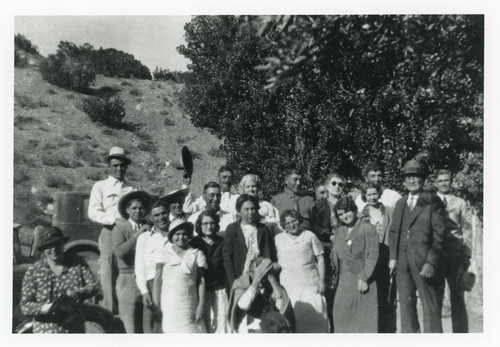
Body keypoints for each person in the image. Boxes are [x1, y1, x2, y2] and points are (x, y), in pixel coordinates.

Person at [388, 160, 446, 333]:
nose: (412, 180)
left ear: (422, 179)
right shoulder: (400, 203)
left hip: (424, 262)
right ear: (403, 181)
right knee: (406, 305)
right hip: (402, 263)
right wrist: (392, 257)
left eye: (415, 176)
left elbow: (440, 235)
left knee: (430, 306)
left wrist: (431, 262)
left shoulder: (432, 200)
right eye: (408, 177)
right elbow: (393, 233)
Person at [20, 227, 99, 333]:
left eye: (57, 244)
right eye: (49, 246)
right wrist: (46, 308)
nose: (53, 249)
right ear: (43, 248)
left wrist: (77, 293)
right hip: (46, 332)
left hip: (74, 330)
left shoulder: (77, 263)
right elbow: (25, 305)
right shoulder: (34, 271)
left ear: (63, 244)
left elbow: (94, 286)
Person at [88, 146, 135, 313]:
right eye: (115, 165)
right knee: (108, 273)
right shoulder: (100, 186)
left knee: (127, 270)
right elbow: (93, 212)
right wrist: (113, 220)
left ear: (126, 166)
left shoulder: (132, 188)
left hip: (128, 234)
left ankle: (126, 311)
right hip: (109, 232)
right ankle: (109, 312)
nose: (119, 169)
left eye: (122, 165)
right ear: (109, 166)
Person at [275, 210, 329, 333]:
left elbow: (320, 259)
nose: (291, 225)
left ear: (299, 220)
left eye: (293, 221)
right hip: (288, 286)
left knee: (316, 318)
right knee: (294, 321)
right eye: (287, 223)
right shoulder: (278, 239)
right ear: (283, 225)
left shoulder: (309, 235)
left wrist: (321, 280)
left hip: (310, 283)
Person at [331, 197, 379, 333]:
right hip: (344, 282)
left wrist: (364, 277)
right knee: (341, 318)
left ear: (354, 210)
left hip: (363, 280)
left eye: (347, 211)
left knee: (363, 323)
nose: (344, 216)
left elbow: (373, 255)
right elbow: (337, 256)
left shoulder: (368, 229)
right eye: (340, 214)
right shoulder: (339, 231)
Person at [153, 219, 207, 333]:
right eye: (177, 234)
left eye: (184, 234)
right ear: (172, 236)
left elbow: (201, 282)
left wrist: (200, 305)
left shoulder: (197, 254)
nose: (181, 237)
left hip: (189, 303)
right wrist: (156, 306)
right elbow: (157, 281)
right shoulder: (163, 253)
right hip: (168, 304)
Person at [434, 169, 472, 333]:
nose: (444, 183)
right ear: (435, 183)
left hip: (455, 256)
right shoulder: (430, 202)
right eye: (441, 180)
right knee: (436, 300)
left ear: (451, 182)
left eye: (446, 180)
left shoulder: (460, 203)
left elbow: (467, 230)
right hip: (436, 256)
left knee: (458, 298)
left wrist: (467, 254)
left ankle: (461, 337)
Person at [112, 191, 151, 333]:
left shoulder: (150, 227)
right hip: (127, 280)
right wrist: (138, 234)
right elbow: (119, 252)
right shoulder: (120, 228)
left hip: (146, 279)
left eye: (141, 208)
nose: (138, 211)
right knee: (130, 326)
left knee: (147, 324)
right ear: (127, 210)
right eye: (134, 208)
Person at [359, 182, 396, 333]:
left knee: (384, 296)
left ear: (379, 194)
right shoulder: (361, 214)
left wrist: (393, 258)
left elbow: (393, 236)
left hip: (385, 255)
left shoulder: (388, 211)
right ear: (364, 196)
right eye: (369, 194)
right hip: (369, 257)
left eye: (374, 193)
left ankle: (385, 331)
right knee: (369, 294)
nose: (372, 197)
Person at [223, 194, 277, 291]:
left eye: (253, 209)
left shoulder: (263, 229)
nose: (250, 212)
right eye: (246, 209)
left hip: (261, 278)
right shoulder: (232, 229)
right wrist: (233, 283)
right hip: (240, 278)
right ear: (239, 211)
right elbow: (227, 258)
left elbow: (270, 254)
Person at [227, 257, 294, 333]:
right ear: (251, 272)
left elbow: (282, 304)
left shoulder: (269, 282)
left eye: (264, 276)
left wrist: (271, 277)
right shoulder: (241, 283)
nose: (262, 280)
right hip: (248, 329)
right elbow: (243, 305)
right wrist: (257, 280)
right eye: (260, 274)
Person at [189, 211, 229, 333]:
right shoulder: (193, 242)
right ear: (199, 225)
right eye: (205, 223)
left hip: (219, 289)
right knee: (203, 323)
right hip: (200, 290)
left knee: (220, 322)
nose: (209, 226)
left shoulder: (222, 242)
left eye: (212, 223)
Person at [135, 199, 170, 333]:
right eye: (156, 215)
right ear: (150, 217)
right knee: (150, 328)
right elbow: (140, 268)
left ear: (168, 213)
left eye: (164, 213)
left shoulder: (177, 235)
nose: (161, 217)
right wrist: (144, 292)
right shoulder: (144, 238)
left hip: (171, 286)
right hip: (151, 287)